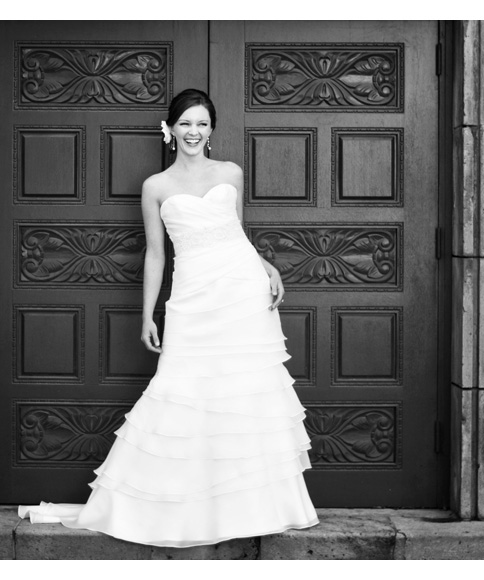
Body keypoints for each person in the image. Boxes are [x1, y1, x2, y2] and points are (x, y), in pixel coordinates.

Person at [19, 89, 319, 548]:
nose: (193, 132)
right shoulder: (156, 186)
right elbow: (156, 255)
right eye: (185, 123)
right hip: (193, 299)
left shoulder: (231, 174)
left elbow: (237, 233)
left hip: (241, 292)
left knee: (244, 391)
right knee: (181, 392)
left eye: (201, 123)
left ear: (211, 129)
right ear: (171, 129)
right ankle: (175, 507)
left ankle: (253, 506)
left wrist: (266, 265)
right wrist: (147, 315)